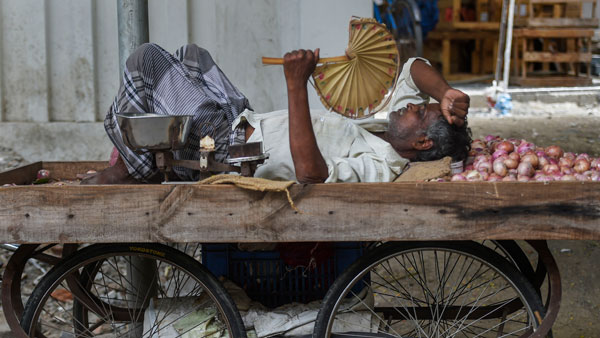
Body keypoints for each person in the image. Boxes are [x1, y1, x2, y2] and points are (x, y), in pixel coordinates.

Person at [82, 43, 470, 185]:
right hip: (241, 121)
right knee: (191, 56)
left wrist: (296, 84)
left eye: (418, 110)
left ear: (421, 141)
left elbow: (311, 174)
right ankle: (140, 154)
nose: (410, 104)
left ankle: (131, 168)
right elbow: (414, 67)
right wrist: (445, 92)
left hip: (227, 151)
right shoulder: (387, 129)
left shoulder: (381, 165)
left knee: (145, 60)